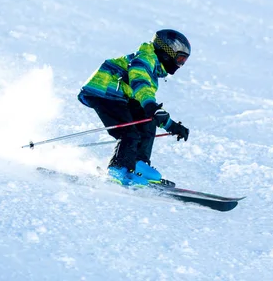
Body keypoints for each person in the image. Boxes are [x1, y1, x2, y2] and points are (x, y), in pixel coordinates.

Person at [77, 29, 190, 186]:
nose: (180, 64)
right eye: (179, 58)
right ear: (167, 52)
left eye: (183, 61)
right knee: (129, 132)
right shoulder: (144, 60)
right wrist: (151, 106)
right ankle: (117, 169)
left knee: (147, 122)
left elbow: (145, 95)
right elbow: (141, 83)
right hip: (103, 91)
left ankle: (138, 164)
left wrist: (172, 126)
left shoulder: (153, 65)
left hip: (120, 95)